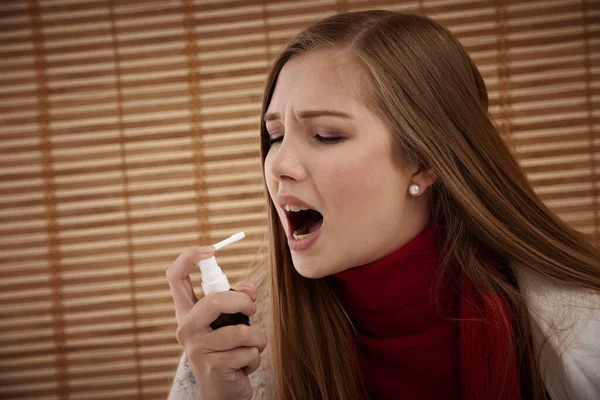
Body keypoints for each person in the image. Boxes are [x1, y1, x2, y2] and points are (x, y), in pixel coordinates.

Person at [167, 10, 600, 400]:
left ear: (424, 162)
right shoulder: (230, 346)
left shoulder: (581, 325)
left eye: (326, 135)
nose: (279, 163)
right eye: (276, 135)